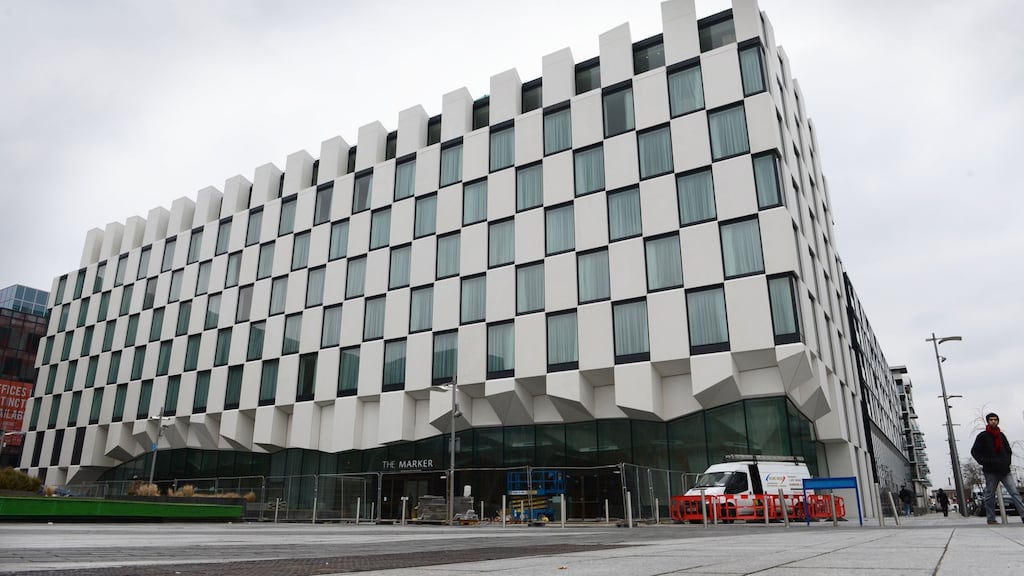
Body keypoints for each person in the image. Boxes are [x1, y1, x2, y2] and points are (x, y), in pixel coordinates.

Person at [970, 412, 1024, 524]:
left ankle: (1023, 515)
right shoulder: (982, 436)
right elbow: (975, 452)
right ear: (988, 421)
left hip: (1005, 470)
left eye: (995, 419)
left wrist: (1007, 462)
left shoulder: (1001, 435)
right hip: (991, 471)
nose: (993, 421)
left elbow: (1008, 450)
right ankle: (991, 518)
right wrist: (986, 462)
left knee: (1014, 493)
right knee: (990, 495)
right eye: (991, 420)